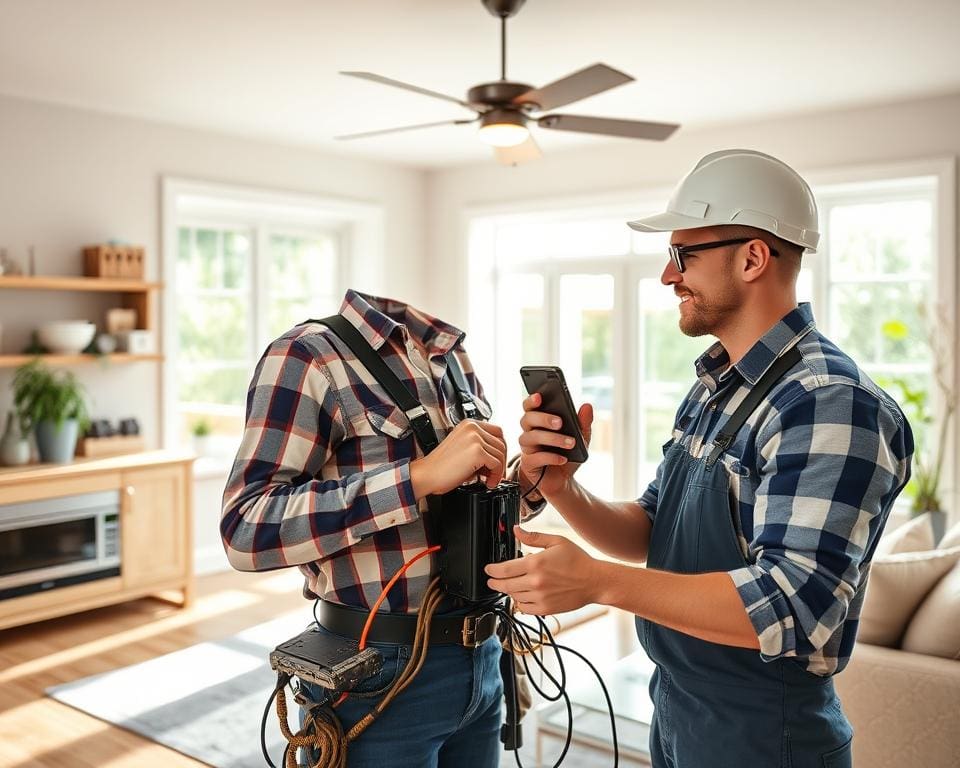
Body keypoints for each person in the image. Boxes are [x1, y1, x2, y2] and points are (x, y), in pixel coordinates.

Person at [486, 149, 914, 768]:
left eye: (684, 255)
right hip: (682, 713)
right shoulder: (718, 385)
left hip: (766, 736)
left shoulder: (828, 405)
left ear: (752, 258)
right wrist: (561, 488)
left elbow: (795, 606)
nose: (667, 276)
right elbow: (653, 534)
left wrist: (600, 584)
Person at [221, 289, 531, 768]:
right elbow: (244, 528)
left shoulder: (453, 359)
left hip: (484, 656)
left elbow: (464, 510)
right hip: (376, 673)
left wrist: (532, 482)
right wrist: (416, 478)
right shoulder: (308, 356)